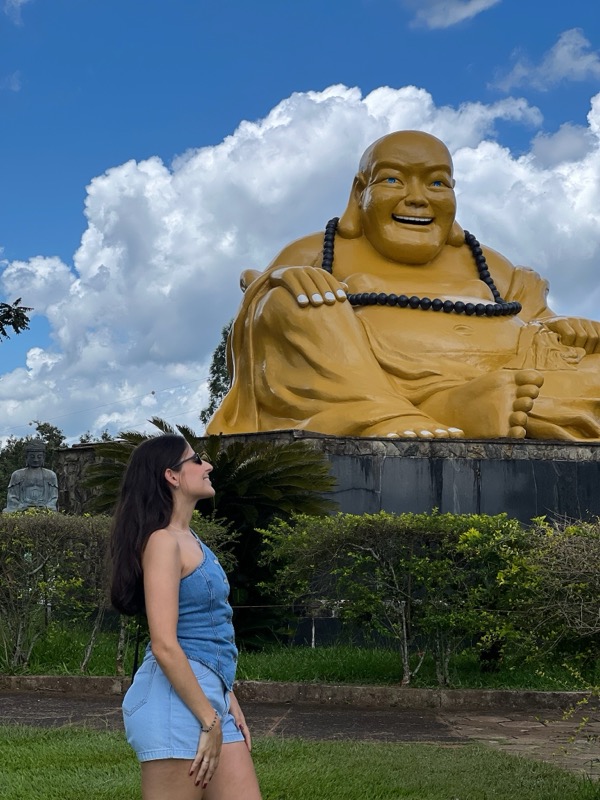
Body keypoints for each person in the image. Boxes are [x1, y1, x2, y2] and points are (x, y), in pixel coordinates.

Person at [207, 130, 600, 441]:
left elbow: (536, 317)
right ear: (359, 192)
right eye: (394, 179)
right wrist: (279, 278)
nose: (417, 199)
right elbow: (256, 303)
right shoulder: (321, 249)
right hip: (369, 380)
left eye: (437, 183)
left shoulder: (485, 261)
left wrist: (566, 325)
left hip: (505, 370)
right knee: (287, 301)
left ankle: (462, 405)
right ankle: (384, 412)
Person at [110, 435, 261, 800]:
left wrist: (226, 698)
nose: (208, 466)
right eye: (196, 460)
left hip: (209, 698)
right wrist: (209, 719)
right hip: (174, 703)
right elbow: (164, 643)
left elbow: (207, 631)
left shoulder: (190, 538)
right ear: (172, 476)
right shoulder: (163, 542)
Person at [3, 438, 58, 512]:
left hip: (43, 507)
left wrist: (47, 507)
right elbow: (12, 496)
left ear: (43, 458)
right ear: (26, 457)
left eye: (39, 457)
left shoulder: (51, 475)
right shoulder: (17, 474)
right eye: (32, 457)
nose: (35, 460)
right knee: (8, 511)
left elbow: (53, 497)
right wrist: (20, 506)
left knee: (53, 511)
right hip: (22, 507)